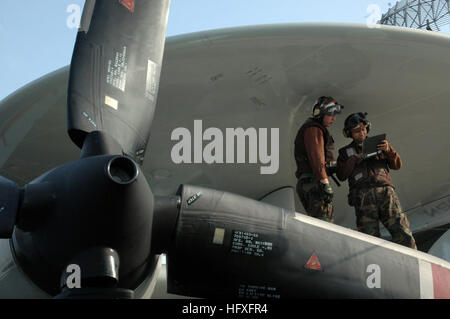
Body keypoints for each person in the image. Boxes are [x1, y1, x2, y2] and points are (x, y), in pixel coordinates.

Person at [336, 112, 417, 249]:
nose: (361, 133)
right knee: (369, 238)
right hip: (363, 197)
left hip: (386, 194)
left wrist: (388, 150)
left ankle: (413, 260)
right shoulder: (345, 152)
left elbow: (396, 165)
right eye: (357, 131)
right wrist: (355, 158)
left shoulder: (379, 144)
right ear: (350, 134)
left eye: (363, 129)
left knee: (402, 231)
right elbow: (341, 175)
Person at [294, 96, 344, 223]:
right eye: (331, 114)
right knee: (324, 223)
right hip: (314, 182)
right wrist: (324, 182)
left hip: (311, 182)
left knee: (320, 221)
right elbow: (317, 158)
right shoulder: (314, 129)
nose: (334, 118)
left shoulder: (313, 128)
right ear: (321, 113)